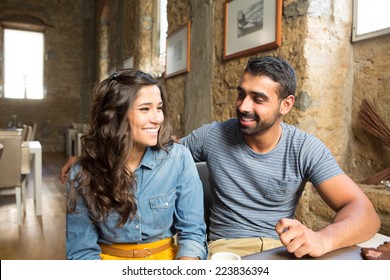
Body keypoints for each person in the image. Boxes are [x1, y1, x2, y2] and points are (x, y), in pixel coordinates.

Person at [62, 57, 380, 259]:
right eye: (241, 94)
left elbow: (365, 214)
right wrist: (92, 160)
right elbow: (158, 151)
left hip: (280, 250)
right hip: (225, 252)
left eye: (258, 99)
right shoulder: (212, 136)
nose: (243, 106)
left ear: (286, 104)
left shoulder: (305, 148)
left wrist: (323, 239)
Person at [65, 69, 207, 260]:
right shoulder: (82, 173)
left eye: (159, 108)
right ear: (116, 115)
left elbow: (192, 233)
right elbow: (81, 252)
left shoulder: (178, 158)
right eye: (145, 109)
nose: (157, 118)